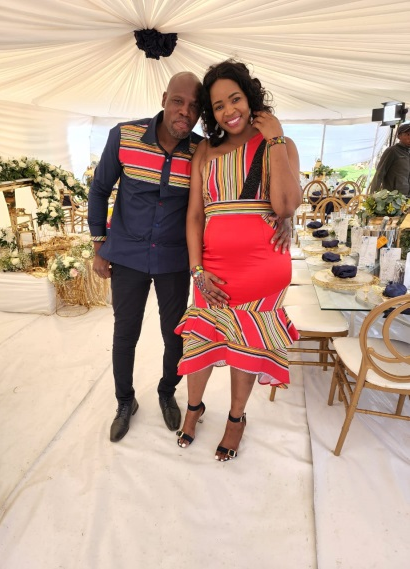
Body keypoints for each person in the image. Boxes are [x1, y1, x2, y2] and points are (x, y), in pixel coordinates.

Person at [174, 60, 302, 462]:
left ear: (250, 98)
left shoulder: (278, 143)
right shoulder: (205, 150)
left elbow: (285, 206)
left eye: (235, 99)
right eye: (218, 105)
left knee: (245, 347)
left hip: (263, 271)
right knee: (200, 340)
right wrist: (196, 270)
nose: (229, 111)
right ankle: (194, 408)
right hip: (212, 271)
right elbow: (195, 215)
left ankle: (235, 418)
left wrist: (275, 137)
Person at [88, 72, 203, 442]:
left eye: (194, 106)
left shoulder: (201, 151)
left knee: (175, 335)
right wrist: (98, 246)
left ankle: (167, 391)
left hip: (174, 260)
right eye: (178, 101)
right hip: (128, 256)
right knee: (126, 334)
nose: (185, 111)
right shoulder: (124, 136)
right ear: (164, 98)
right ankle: (125, 401)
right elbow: (99, 189)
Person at [370, 123, 410, 196]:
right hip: (393, 197)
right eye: (408, 134)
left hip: (407, 196)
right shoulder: (392, 151)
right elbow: (379, 173)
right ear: (399, 136)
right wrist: (372, 196)